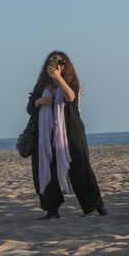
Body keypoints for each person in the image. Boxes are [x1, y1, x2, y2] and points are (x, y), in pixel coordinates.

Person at [28, 51, 107, 219]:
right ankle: (52, 210)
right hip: (46, 136)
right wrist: (40, 101)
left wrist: (59, 79)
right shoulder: (41, 85)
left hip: (71, 134)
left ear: (67, 64)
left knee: (81, 170)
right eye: (53, 61)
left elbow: (71, 97)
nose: (58, 64)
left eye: (61, 62)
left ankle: (96, 207)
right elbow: (30, 108)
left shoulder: (72, 82)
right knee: (47, 170)